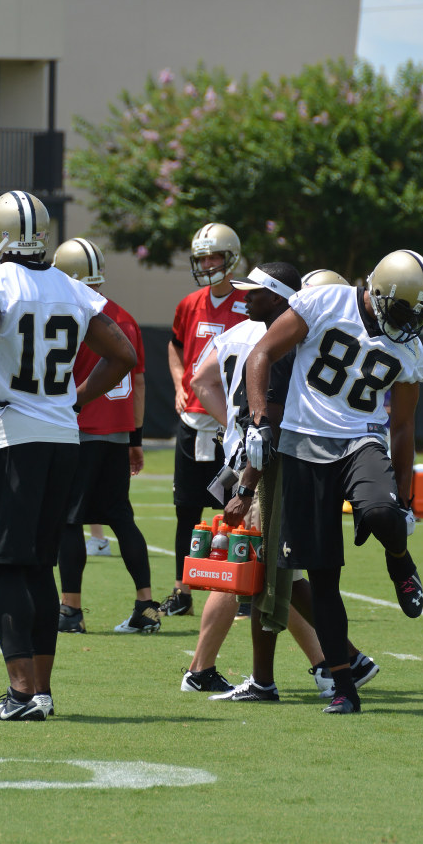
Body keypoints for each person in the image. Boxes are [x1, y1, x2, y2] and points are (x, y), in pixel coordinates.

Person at [0, 191, 136, 721]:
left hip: (13, 437)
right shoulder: (67, 284)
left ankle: (19, 695)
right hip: (64, 440)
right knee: (40, 563)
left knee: (4, 565)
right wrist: (74, 399)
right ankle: (39, 692)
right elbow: (123, 355)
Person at [244, 249, 423, 714]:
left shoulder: (409, 350)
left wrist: (406, 501)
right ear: (377, 293)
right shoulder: (324, 302)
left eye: (416, 314)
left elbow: (403, 428)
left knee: (380, 511)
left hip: (359, 442)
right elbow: (262, 353)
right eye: (402, 310)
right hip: (304, 447)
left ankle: (399, 560)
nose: (408, 322)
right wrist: (256, 420)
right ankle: (345, 687)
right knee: (323, 576)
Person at [49, 237, 158, 636]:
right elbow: (140, 384)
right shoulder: (124, 317)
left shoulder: (69, 313)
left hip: (77, 428)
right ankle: (146, 605)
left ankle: (70, 609)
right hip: (116, 431)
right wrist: (135, 438)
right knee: (122, 519)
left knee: (69, 520)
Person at [161, 223, 248, 618]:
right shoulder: (189, 303)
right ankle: (182, 590)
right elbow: (175, 345)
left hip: (235, 426)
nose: (208, 264)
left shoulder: (251, 302)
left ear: (231, 258)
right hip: (195, 423)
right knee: (187, 508)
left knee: (240, 507)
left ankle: (242, 585)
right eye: (202, 258)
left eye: (214, 256)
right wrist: (181, 384)